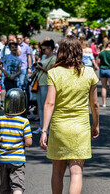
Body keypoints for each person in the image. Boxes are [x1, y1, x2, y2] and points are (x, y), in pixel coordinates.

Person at [39, 35, 99, 194]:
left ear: (61, 52)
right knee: (77, 172)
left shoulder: (54, 73)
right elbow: (95, 104)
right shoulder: (89, 73)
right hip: (80, 128)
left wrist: (44, 130)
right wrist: (96, 124)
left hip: (59, 128)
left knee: (57, 172)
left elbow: (49, 103)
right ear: (79, 51)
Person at [0, 88, 32, 194]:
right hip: (17, 159)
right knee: (17, 186)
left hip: (3, 159)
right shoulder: (24, 122)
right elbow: (28, 143)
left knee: (4, 188)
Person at [32, 40, 57, 134]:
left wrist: (40, 68)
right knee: (40, 106)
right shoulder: (43, 57)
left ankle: (47, 128)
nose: (42, 51)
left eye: (44, 49)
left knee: (46, 106)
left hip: (47, 84)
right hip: (39, 83)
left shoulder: (54, 58)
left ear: (50, 48)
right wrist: (35, 72)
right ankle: (41, 126)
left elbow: (51, 71)